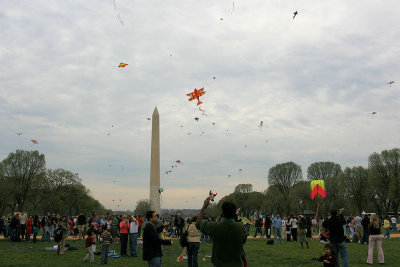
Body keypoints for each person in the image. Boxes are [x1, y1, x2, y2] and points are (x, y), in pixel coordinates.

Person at [196, 198, 247, 267]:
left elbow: (198, 223)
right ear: (234, 212)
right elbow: (243, 241)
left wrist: (203, 208)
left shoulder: (215, 226)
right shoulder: (241, 227)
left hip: (218, 264)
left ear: (222, 212)